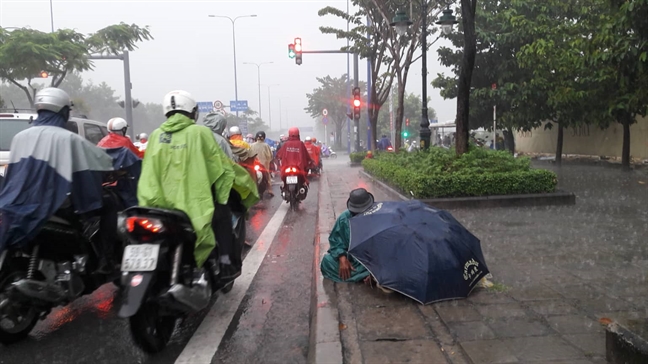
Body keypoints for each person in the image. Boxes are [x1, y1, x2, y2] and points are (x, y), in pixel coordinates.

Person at [0, 87, 118, 272]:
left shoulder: (19, 137)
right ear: (64, 111)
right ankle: (106, 261)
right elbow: (98, 164)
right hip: (52, 204)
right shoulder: (69, 139)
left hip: (14, 203)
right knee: (109, 203)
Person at [137, 90, 243, 281]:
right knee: (223, 215)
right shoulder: (200, 133)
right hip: (194, 206)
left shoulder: (155, 135)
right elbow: (220, 169)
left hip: (154, 206)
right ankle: (226, 262)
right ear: (192, 112)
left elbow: (147, 171)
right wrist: (222, 195)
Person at [320, 188, 374, 283]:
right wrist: (342, 257)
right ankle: (363, 276)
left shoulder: (376, 216)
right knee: (326, 262)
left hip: (371, 261)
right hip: (353, 260)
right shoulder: (344, 218)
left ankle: (371, 276)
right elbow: (335, 241)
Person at [250, 131, 274, 197]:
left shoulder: (251, 145)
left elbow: (249, 154)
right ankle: (270, 190)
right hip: (264, 165)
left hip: (254, 165)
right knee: (267, 176)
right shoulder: (266, 145)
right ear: (264, 137)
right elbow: (270, 156)